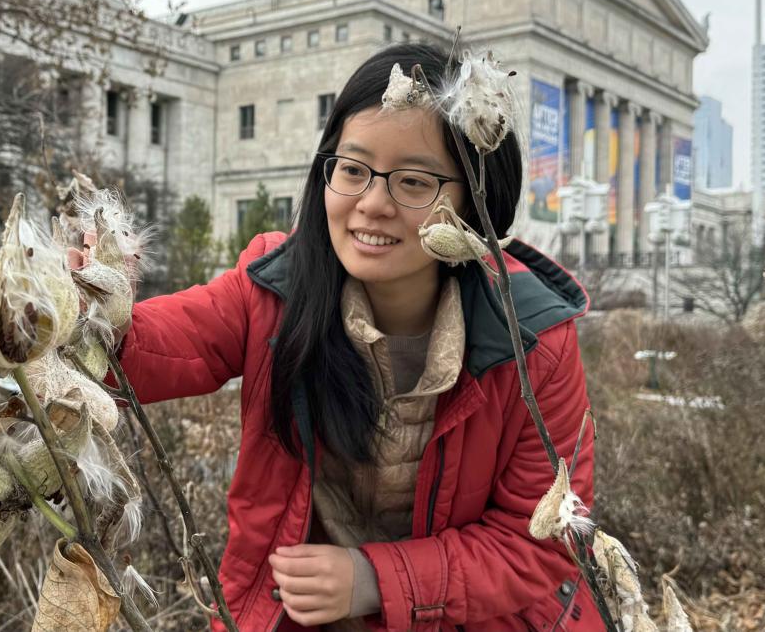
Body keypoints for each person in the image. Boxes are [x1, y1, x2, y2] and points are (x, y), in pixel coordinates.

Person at [114, 43, 602, 631]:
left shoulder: (532, 340)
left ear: (475, 200)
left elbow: (541, 542)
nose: (372, 204)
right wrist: (71, 310)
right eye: (352, 169)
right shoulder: (275, 288)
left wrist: (373, 579)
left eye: (414, 182)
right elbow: (151, 347)